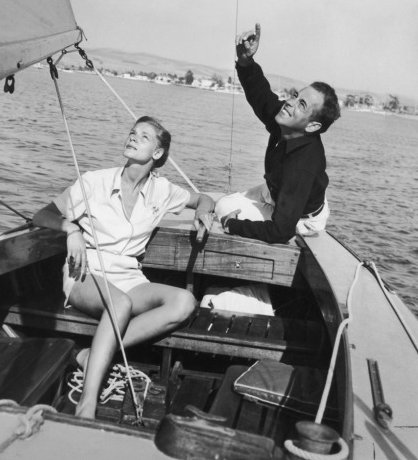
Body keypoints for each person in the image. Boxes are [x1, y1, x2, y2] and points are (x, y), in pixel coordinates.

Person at [33, 116, 214, 419]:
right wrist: (72, 230)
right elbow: (41, 215)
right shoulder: (94, 181)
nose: (132, 138)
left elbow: (203, 198)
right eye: (132, 133)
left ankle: (93, 354)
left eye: (143, 136)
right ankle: (87, 404)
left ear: (157, 153)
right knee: (120, 304)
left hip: (129, 277)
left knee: (184, 302)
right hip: (85, 273)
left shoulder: (162, 190)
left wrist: (203, 214)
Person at [217, 24, 340, 244]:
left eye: (301, 104)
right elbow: (262, 96)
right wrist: (245, 61)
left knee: (223, 209)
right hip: (279, 193)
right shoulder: (289, 122)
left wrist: (231, 224)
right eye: (295, 96)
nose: (290, 103)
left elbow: (282, 231)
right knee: (223, 203)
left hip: (300, 217)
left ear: (312, 126)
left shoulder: (302, 165)